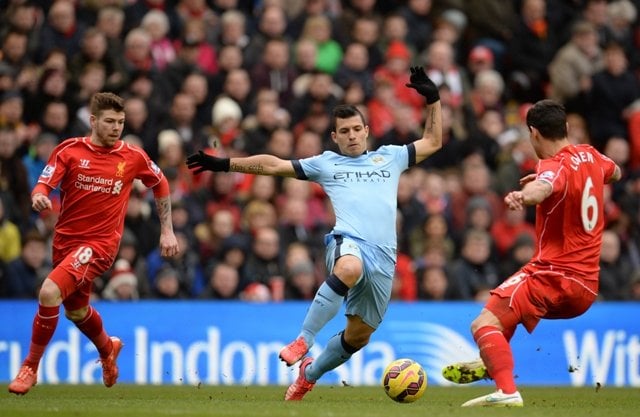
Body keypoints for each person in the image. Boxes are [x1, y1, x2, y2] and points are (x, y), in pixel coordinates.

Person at [186, 66, 442, 401]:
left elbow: (434, 141)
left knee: (359, 336)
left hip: (384, 259)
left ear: (367, 131)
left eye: (356, 129)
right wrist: (225, 164)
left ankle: (309, 374)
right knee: (349, 268)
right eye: (343, 131)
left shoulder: (390, 157)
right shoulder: (327, 163)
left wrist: (433, 99)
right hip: (347, 243)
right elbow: (275, 165)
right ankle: (303, 339)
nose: (351, 135)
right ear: (334, 137)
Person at [441, 99, 622, 407]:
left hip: (554, 275)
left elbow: (545, 186)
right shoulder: (591, 155)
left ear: (533, 133)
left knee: (482, 324)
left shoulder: (552, 167)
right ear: (565, 128)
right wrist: (555, 184)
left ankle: (507, 391)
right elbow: (614, 172)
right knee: (503, 313)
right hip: (587, 287)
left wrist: (525, 195)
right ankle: (491, 360)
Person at [8, 92, 180, 395]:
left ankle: (30, 367)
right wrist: (40, 195)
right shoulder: (70, 151)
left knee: (49, 292)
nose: (116, 128)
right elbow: (45, 181)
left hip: (100, 245)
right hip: (65, 243)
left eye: (121, 122)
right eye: (110, 121)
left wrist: (167, 230)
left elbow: (160, 182)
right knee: (76, 311)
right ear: (93, 121)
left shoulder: (132, 157)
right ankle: (107, 348)